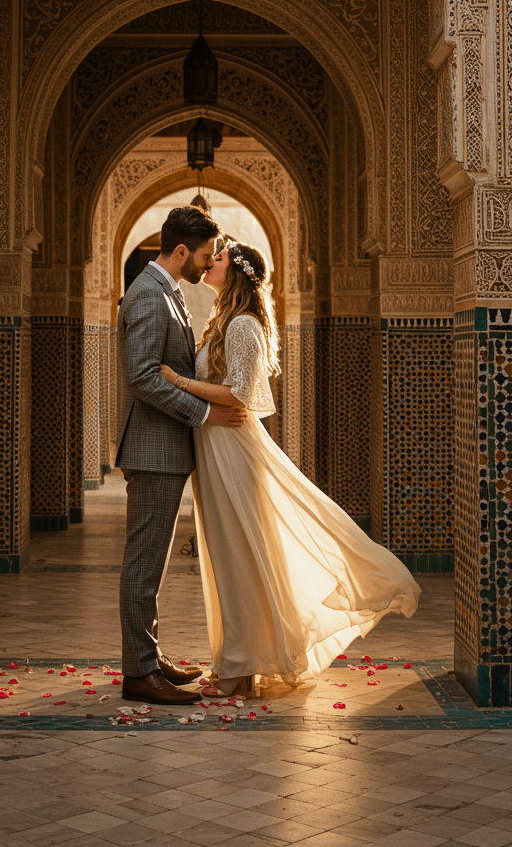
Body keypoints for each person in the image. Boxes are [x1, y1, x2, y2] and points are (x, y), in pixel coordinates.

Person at [160, 239, 421, 697]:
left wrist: (178, 381)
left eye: (218, 257)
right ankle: (236, 661)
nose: (210, 261)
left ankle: (240, 667)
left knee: (237, 558)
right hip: (214, 448)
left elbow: (239, 393)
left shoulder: (243, 324)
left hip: (232, 452)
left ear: (236, 271)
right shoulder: (224, 320)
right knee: (227, 559)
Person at [116, 205, 248, 705]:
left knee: (152, 566)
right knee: (144, 566)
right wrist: (204, 415)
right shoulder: (149, 294)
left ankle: (148, 659)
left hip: (166, 451)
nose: (209, 261)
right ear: (180, 251)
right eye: (206, 254)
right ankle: (138, 673)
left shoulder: (167, 290)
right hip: (154, 451)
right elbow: (144, 375)